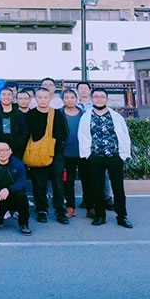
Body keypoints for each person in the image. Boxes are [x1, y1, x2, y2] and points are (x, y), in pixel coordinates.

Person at [79, 88, 133, 228]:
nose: (99, 99)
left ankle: (122, 216)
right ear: (92, 99)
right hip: (95, 157)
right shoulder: (86, 116)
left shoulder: (116, 116)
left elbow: (124, 135)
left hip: (114, 156)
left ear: (106, 99)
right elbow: (82, 136)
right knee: (97, 187)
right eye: (96, 96)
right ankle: (100, 215)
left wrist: (122, 155)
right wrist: (88, 155)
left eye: (102, 96)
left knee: (118, 188)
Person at [25, 88, 70, 224]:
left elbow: (64, 134)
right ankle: (41, 210)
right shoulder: (30, 115)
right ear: (35, 99)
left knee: (58, 184)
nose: (43, 100)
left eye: (45, 97)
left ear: (50, 98)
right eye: (40, 97)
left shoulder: (57, 114)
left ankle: (59, 210)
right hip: (37, 154)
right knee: (39, 184)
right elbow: (25, 134)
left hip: (56, 154)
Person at [0, 142, 31, 235]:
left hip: (13, 195)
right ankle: (3, 214)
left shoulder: (18, 164)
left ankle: (24, 223)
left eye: (5, 150)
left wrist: (9, 189)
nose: (2, 153)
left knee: (21, 197)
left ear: (10, 151)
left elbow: (22, 182)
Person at [61, 88, 90, 218]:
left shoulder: (84, 114)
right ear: (63, 100)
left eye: (72, 97)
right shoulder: (59, 114)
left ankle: (89, 206)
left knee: (87, 181)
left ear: (76, 99)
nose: (69, 100)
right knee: (68, 182)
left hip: (83, 153)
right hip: (66, 154)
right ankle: (70, 207)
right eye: (66, 98)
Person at [0, 88, 28, 160]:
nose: (6, 97)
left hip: (16, 151)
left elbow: (24, 134)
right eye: (3, 94)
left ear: (13, 97)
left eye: (9, 95)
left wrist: (12, 148)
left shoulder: (19, 114)